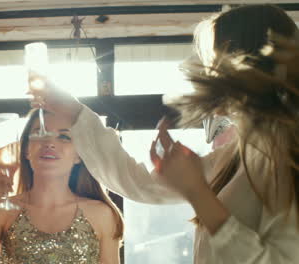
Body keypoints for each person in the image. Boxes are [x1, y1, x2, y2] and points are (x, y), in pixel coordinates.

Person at [28, 4, 299, 264]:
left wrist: (197, 192)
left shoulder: (290, 154)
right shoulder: (240, 151)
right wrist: (73, 111)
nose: (208, 76)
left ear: (247, 64)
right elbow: (142, 184)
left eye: (216, 63)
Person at [0, 108, 123, 264]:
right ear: (27, 149)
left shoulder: (102, 214)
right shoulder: (4, 210)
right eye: (40, 134)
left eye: (64, 137)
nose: (49, 143)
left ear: (78, 155)